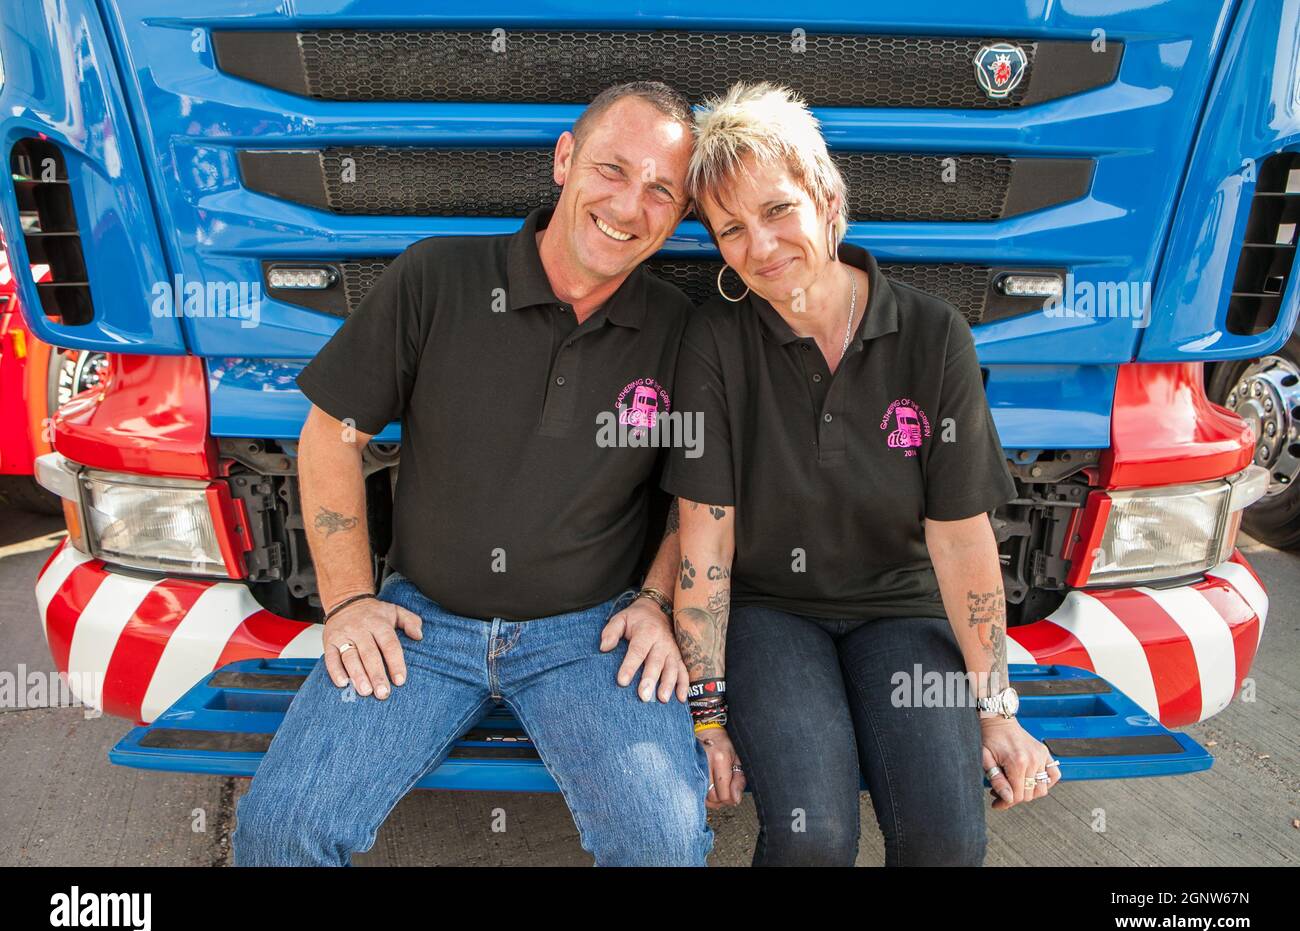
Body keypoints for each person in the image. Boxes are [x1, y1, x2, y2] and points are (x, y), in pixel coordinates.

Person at [232, 81, 713, 866]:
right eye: (612, 170)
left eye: (662, 190)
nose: (630, 206)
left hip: (591, 638)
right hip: (421, 628)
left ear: (682, 212)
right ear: (565, 160)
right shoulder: (437, 279)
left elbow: (697, 495)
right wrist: (350, 601)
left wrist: (658, 601)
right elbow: (329, 435)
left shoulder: (681, 330)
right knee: (281, 831)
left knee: (662, 842)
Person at [664, 82, 1059, 867]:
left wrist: (995, 708)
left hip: (903, 611)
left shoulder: (930, 333)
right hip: (771, 615)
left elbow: (960, 538)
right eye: (731, 229)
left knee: (946, 838)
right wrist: (707, 718)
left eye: (777, 210)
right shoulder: (715, 339)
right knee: (815, 837)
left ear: (826, 196)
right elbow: (704, 538)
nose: (762, 247)